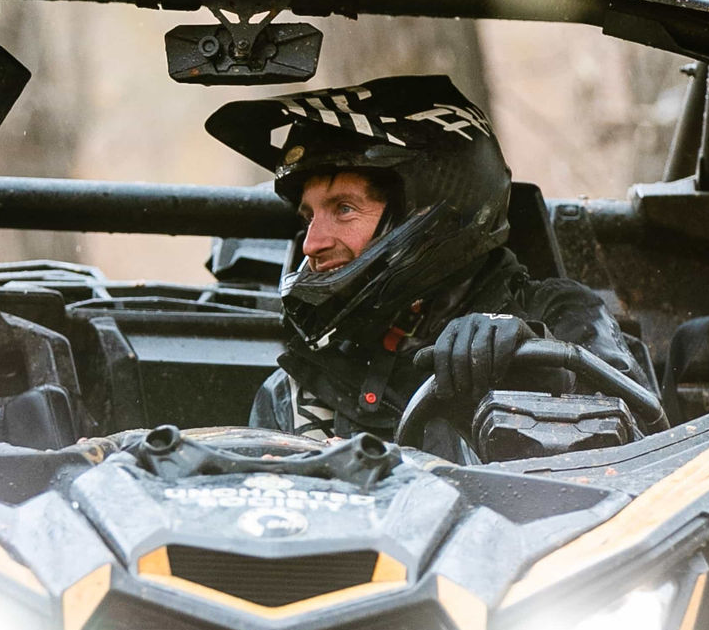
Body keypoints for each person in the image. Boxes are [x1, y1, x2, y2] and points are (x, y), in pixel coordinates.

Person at [207, 75, 650, 443]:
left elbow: (651, 459)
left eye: (343, 209)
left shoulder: (565, 316)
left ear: (429, 210)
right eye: (309, 217)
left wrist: (540, 362)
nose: (312, 243)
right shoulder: (299, 392)